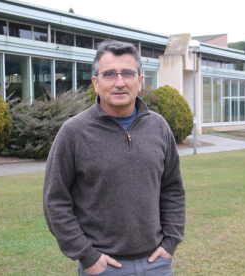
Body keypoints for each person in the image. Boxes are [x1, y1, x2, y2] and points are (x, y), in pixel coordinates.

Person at [43, 40, 185, 276]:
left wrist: (170, 242)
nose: (119, 83)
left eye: (127, 73)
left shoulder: (159, 127)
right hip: (102, 267)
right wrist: (86, 255)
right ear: (96, 83)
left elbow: (173, 189)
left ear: (140, 82)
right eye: (109, 74)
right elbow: (55, 200)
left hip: (157, 264)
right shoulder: (73, 133)